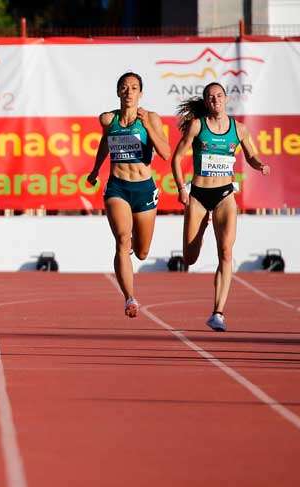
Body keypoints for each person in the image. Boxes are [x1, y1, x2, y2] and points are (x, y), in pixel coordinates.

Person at [171, 82, 269, 332]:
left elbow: (250, 155)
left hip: (225, 193)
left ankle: (218, 312)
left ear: (226, 99)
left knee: (226, 252)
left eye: (218, 96)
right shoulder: (197, 126)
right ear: (206, 102)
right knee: (189, 258)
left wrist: (259, 165)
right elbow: (177, 158)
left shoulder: (240, 129)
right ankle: (202, 225)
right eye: (210, 97)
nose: (215, 100)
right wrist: (182, 188)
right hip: (199, 195)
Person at [88, 72, 171, 318]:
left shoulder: (152, 118)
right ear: (118, 92)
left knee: (142, 252)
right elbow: (105, 142)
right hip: (118, 187)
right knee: (123, 240)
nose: (128, 92)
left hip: (144, 188)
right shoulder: (107, 119)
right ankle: (129, 298)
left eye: (134, 88)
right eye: (124, 88)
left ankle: (134, 251)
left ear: (140, 93)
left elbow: (166, 153)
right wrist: (95, 170)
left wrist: (147, 127)